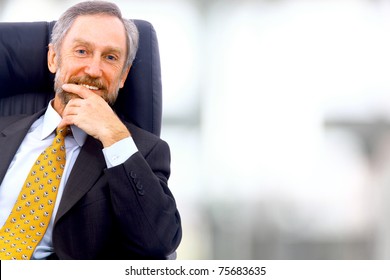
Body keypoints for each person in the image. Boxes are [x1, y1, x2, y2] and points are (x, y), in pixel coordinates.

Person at [0, 1, 181, 260]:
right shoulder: (4, 128)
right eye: (82, 51)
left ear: (123, 76)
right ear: (53, 59)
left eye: (110, 57)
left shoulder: (142, 151)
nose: (93, 70)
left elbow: (160, 242)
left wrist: (114, 137)